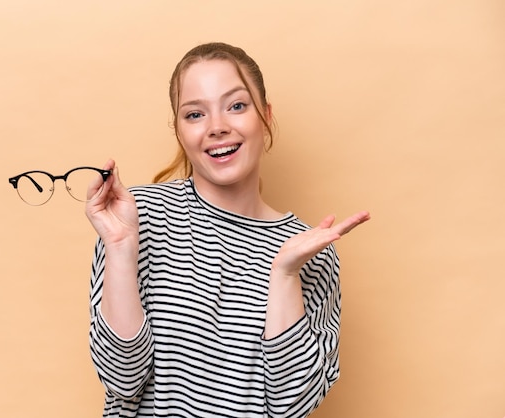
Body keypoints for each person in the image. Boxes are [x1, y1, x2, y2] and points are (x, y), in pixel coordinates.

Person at [84, 42, 370, 418]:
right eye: (195, 114)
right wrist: (121, 246)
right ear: (179, 131)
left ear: (265, 116)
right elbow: (122, 380)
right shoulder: (136, 217)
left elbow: (291, 406)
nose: (217, 127)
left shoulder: (309, 251)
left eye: (236, 106)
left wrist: (284, 274)